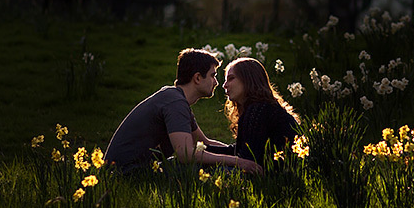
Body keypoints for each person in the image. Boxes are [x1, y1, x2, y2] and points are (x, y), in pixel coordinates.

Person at [104, 48, 262, 174]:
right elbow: (185, 154)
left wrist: (240, 154)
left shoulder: (176, 99)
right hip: (125, 173)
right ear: (198, 78)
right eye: (213, 76)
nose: (216, 82)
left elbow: (204, 143)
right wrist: (238, 162)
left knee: (210, 166)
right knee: (207, 170)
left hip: (131, 170)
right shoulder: (175, 102)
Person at [218, 57, 300, 166]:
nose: (224, 85)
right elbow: (238, 151)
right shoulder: (259, 107)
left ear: (248, 79)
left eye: (231, 78)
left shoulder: (259, 110)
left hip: (275, 176)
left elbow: (246, 159)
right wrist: (201, 151)